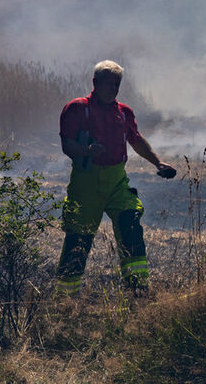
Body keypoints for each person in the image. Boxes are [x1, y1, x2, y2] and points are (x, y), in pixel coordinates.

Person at [54, 60, 176, 297]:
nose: (113, 89)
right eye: (108, 84)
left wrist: (157, 162)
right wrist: (87, 151)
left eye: (117, 84)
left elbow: (136, 140)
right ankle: (65, 298)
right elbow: (67, 145)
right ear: (95, 83)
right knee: (79, 237)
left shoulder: (124, 112)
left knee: (130, 223)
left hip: (116, 180)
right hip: (86, 183)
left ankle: (137, 290)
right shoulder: (77, 109)